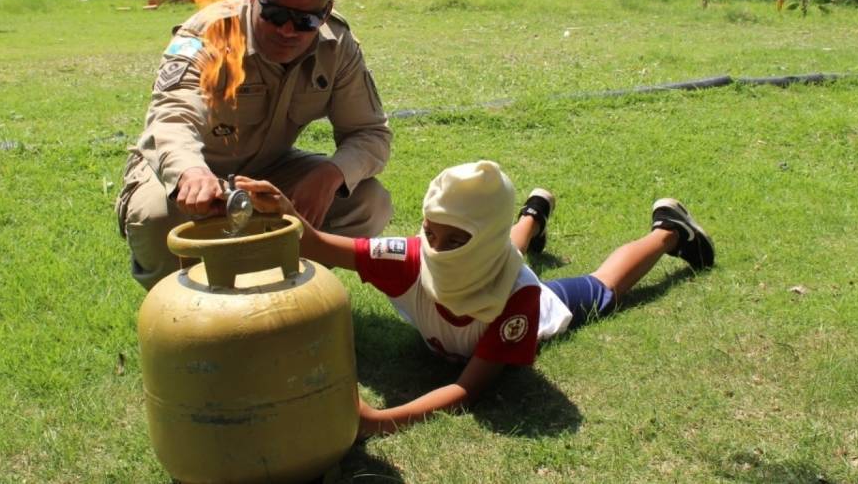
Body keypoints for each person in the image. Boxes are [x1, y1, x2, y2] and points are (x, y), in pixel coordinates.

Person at [235, 160, 715, 437]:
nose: (437, 251)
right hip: (497, 258)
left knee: (603, 288)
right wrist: (284, 210)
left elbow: (469, 388)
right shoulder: (411, 258)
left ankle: (668, 232)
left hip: (529, 291)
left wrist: (380, 421)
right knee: (500, 254)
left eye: (455, 240)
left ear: (482, 238)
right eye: (430, 233)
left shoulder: (520, 301)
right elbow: (319, 245)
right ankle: (532, 214)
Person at [117, 0, 393, 291]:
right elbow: (172, 117)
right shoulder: (208, 34)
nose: (287, 30)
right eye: (275, 13)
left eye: (306, 19)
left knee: (368, 203)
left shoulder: (336, 45)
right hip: (195, 167)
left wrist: (330, 175)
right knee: (157, 215)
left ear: (325, 13)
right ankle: (185, 306)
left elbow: (370, 133)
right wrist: (191, 173)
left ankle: (278, 285)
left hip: (269, 168)